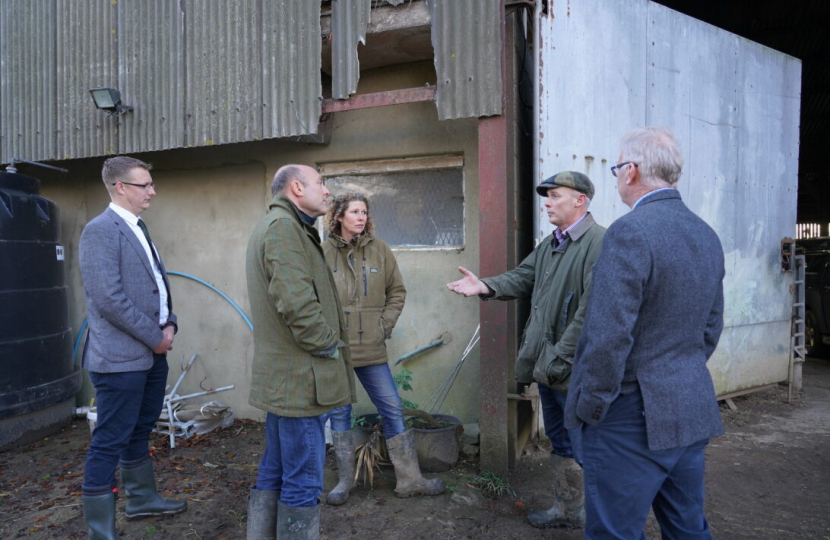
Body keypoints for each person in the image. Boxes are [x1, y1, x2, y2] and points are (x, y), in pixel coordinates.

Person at [564, 127, 725, 539]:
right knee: (688, 528)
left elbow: (607, 335)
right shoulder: (706, 235)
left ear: (631, 171)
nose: (617, 176)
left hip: (631, 417)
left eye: (618, 167)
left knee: (614, 532)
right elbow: (710, 327)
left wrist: (593, 407)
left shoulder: (629, 231)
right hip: (689, 407)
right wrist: (676, 373)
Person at [446, 171, 605, 529]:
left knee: (589, 448)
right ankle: (568, 509)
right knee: (561, 442)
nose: (547, 202)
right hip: (550, 367)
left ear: (580, 199)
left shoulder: (599, 243)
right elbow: (522, 277)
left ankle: (604, 523)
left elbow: (591, 313)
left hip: (572, 368)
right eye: (546, 196)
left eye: (556, 196)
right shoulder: (553, 243)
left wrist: (563, 357)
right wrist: (485, 285)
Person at [78, 156, 186, 540]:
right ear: (120, 187)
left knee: (140, 428)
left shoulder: (138, 228)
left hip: (151, 353)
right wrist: (156, 337)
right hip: (121, 359)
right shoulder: (100, 231)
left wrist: (169, 321)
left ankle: (141, 500)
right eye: (145, 185)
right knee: (110, 439)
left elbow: (157, 284)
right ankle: (100, 529)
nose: (153, 191)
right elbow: (108, 299)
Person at [245, 165, 355, 540]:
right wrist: (327, 344)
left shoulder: (286, 226)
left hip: (289, 381)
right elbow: (296, 304)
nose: (327, 192)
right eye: (321, 184)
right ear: (296, 188)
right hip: (300, 382)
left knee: (275, 469)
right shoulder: (284, 229)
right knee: (303, 481)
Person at [322, 192, 445, 505]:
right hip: (337, 349)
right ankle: (345, 482)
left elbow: (397, 293)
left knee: (392, 408)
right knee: (340, 414)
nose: (361, 217)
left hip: (372, 348)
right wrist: (326, 336)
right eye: (354, 212)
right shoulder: (322, 253)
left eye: (364, 212)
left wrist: (383, 327)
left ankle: (410, 480)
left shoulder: (380, 251)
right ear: (338, 216)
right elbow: (314, 301)